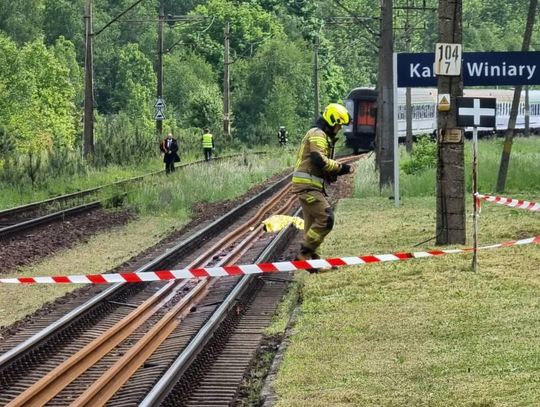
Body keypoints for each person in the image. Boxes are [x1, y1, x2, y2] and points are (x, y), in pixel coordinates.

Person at [292, 103, 354, 272]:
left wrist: (335, 172)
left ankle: (314, 264)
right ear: (332, 121)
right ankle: (303, 255)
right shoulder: (318, 134)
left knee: (312, 225)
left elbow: (320, 164)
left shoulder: (321, 135)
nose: (339, 129)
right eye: (339, 125)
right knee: (326, 219)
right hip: (308, 186)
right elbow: (318, 159)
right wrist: (341, 167)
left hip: (310, 186)